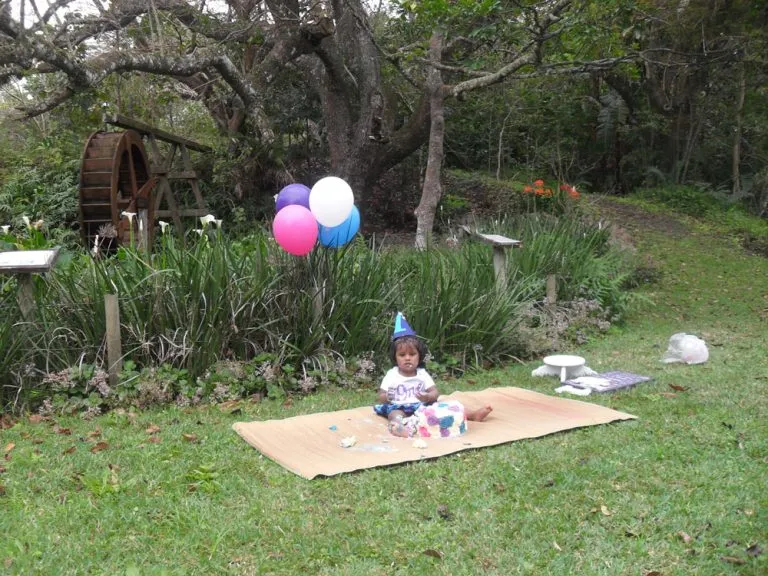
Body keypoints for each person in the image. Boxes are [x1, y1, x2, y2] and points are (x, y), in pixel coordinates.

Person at [374, 312, 493, 437]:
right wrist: (387, 396)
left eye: (412, 354)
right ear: (395, 357)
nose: (407, 358)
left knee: (445, 406)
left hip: (422, 406)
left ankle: (472, 414)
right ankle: (398, 427)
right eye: (402, 355)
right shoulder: (392, 375)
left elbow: (435, 393)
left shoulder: (422, 374)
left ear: (419, 356)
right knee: (394, 414)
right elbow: (380, 397)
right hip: (398, 406)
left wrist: (428, 397)